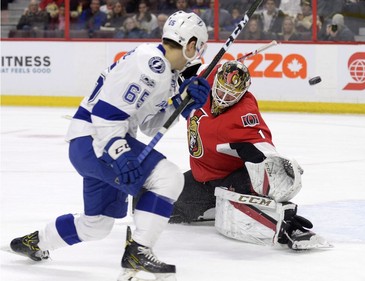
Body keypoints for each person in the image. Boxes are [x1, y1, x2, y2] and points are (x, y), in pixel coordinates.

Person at [9, 10, 210, 281]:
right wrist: (120, 153)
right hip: (96, 141)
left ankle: (36, 242)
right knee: (168, 177)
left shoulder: (165, 72)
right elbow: (105, 114)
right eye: (199, 46)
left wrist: (181, 103)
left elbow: (150, 125)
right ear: (190, 44)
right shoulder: (151, 63)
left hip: (91, 143)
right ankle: (140, 249)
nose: (198, 53)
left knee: (97, 225)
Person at [169, 60, 331, 251]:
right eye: (221, 91)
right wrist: (188, 73)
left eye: (231, 95)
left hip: (231, 178)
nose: (224, 98)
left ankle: (289, 225)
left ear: (242, 94)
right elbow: (204, 70)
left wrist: (262, 158)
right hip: (202, 177)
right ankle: (215, 206)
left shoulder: (245, 113)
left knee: (252, 183)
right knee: (166, 207)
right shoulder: (205, 87)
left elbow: (265, 149)